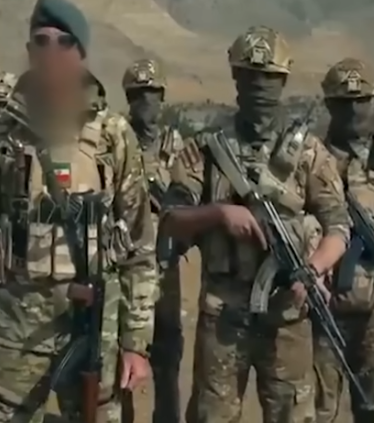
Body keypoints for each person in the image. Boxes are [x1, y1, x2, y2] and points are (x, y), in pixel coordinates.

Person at [0, 0, 157, 422]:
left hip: (92, 324)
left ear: (81, 51)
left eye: (64, 42)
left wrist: (136, 342)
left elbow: (139, 245)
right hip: (17, 328)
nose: (52, 52)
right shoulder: (3, 133)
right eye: (41, 41)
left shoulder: (113, 135)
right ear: (30, 51)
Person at [162, 25, 350, 423]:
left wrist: (313, 268)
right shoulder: (207, 149)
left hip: (288, 317)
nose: (260, 87)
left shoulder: (307, 153)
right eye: (250, 76)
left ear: (283, 80)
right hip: (223, 317)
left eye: (269, 78)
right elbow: (171, 219)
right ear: (235, 77)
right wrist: (219, 214)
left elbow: (338, 226)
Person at [121, 59, 184, 423]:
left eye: (152, 94)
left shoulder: (176, 145)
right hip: (126, 265)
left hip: (165, 266)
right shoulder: (117, 140)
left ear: (162, 97)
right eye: (138, 95)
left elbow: (188, 197)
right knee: (122, 355)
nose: (145, 102)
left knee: (168, 352)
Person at [313, 57, 374, 423]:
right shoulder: (311, 160)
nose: (354, 110)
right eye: (344, 101)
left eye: (362, 100)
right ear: (329, 105)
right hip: (325, 312)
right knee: (319, 411)